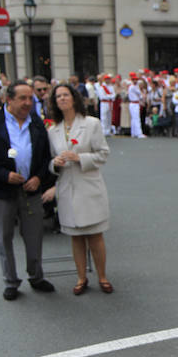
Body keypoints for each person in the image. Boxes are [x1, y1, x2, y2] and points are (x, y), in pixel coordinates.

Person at [0, 80, 56, 300]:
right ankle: (10, 280)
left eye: (31, 99)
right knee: (4, 236)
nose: (28, 103)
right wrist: (3, 175)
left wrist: (38, 177)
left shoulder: (36, 123)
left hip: (30, 190)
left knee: (34, 235)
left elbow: (45, 157)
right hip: (0, 191)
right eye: (22, 99)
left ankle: (36, 276)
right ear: (9, 99)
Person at [46, 83, 114, 295]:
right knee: (75, 236)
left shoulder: (91, 124)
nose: (62, 99)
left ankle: (102, 276)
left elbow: (103, 153)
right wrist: (55, 163)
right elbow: (49, 161)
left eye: (66, 95)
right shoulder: (53, 130)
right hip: (67, 186)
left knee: (95, 234)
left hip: (88, 185)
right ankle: (81, 277)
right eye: (58, 96)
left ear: (74, 98)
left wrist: (79, 157)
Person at [126, 72, 145, 138]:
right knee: (136, 118)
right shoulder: (133, 87)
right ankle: (139, 133)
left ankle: (133, 132)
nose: (135, 81)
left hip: (135, 103)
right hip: (134, 103)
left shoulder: (135, 86)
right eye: (134, 80)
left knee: (134, 118)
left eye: (136, 80)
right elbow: (140, 95)